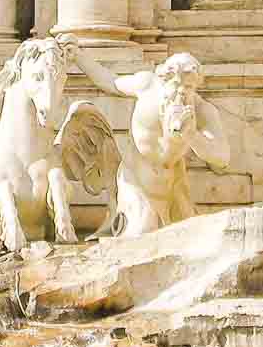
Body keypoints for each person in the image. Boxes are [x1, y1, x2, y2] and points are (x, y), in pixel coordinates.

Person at [74, 48, 231, 237]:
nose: (180, 92)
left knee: (189, 240)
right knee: (142, 234)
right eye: (175, 85)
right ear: (163, 80)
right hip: (136, 182)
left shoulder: (203, 111)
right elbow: (109, 81)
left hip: (173, 187)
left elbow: (222, 158)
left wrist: (192, 136)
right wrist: (77, 55)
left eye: (188, 87)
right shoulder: (146, 85)